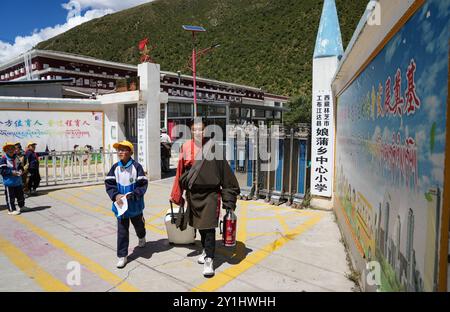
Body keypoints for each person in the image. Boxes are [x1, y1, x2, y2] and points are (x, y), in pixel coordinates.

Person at [170, 118, 240, 277]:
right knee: (200, 226)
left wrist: (229, 202)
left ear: (206, 130)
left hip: (211, 195)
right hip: (193, 195)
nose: (197, 132)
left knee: (209, 227)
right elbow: (180, 172)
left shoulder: (213, 148)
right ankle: (205, 250)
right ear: (190, 130)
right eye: (194, 129)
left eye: (201, 129)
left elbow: (226, 176)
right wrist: (177, 194)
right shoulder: (185, 147)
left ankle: (209, 259)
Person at [104, 140, 148, 269]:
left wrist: (134, 194)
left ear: (130, 152)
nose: (120, 152)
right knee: (122, 231)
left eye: (123, 150)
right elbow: (109, 184)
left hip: (135, 206)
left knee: (139, 225)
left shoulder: (137, 167)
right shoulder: (115, 168)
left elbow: (143, 184)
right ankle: (122, 255)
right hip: (121, 207)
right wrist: (115, 195)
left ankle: (142, 236)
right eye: (119, 150)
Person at [1, 142, 26, 215]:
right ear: (5, 150)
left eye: (12, 148)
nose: (11, 150)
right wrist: (12, 172)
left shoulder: (16, 157)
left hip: (18, 181)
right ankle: (11, 210)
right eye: (9, 149)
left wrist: (21, 170)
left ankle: (22, 206)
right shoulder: (4, 159)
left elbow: (20, 166)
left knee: (20, 195)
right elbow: (2, 170)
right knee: (10, 197)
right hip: (9, 182)